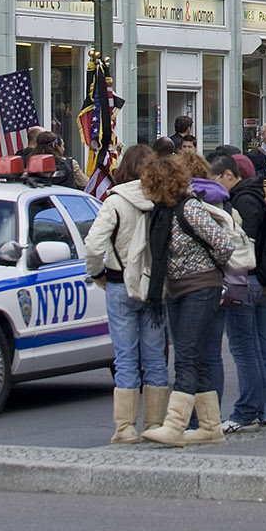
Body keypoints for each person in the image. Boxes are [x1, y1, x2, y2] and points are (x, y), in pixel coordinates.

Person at [140, 150, 236, 447]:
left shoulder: (189, 208)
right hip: (178, 288)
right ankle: (209, 426)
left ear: (162, 184)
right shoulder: (162, 212)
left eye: (150, 184)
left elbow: (224, 243)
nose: (146, 189)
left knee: (186, 355)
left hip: (200, 287)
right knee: (197, 357)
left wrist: (208, 269)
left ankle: (175, 424)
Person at [83, 142, 170, 444]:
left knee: (126, 357)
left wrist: (98, 274)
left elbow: (93, 246)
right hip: (155, 286)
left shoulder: (115, 201)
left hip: (119, 282)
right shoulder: (163, 198)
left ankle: (125, 428)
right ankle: (156, 423)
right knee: (156, 356)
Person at [208, 150, 266, 432]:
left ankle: (246, 411)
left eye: (215, 179)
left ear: (229, 174)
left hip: (245, 280)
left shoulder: (240, 200)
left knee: (243, 349)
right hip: (264, 280)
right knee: (264, 347)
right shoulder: (260, 196)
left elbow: (239, 245)